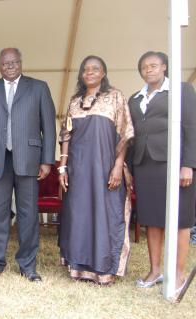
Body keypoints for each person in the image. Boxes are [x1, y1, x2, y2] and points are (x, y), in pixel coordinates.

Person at [0, 48, 56, 281]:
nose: (9, 66)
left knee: (28, 215)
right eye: (5, 63)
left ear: (21, 63)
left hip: (28, 159)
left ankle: (28, 265)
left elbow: (48, 126)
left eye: (14, 62)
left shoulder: (38, 87)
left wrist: (47, 160)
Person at [58, 55, 134, 285]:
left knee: (105, 214)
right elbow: (66, 135)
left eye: (95, 69)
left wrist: (118, 166)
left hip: (105, 167)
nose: (89, 72)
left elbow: (125, 134)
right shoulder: (74, 101)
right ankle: (79, 268)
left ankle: (104, 269)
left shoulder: (115, 97)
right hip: (78, 169)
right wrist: (62, 167)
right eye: (85, 69)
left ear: (103, 72)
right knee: (78, 215)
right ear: (81, 74)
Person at [128, 51, 196, 296]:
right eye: (144, 67)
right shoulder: (135, 99)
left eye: (154, 65)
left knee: (180, 219)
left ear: (165, 67)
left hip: (175, 164)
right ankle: (155, 270)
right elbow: (132, 134)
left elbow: (191, 126)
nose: (149, 70)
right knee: (152, 218)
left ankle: (177, 273)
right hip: (145, 164)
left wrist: (188, 164)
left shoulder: (181, 90)